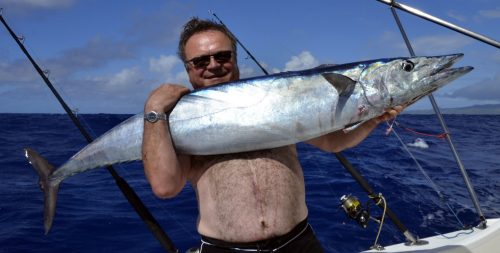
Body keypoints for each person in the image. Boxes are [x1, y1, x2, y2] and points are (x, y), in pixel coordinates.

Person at [142, 17, 403, 253]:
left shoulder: (277, 100)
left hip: (298, 243)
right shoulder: (177, 118)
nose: (213, 65)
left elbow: (332, 142)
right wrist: (154, 111)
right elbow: (165, 187)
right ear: (188, 69)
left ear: (234, 57)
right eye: (201, 61)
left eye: (222, 56)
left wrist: (372, 121)